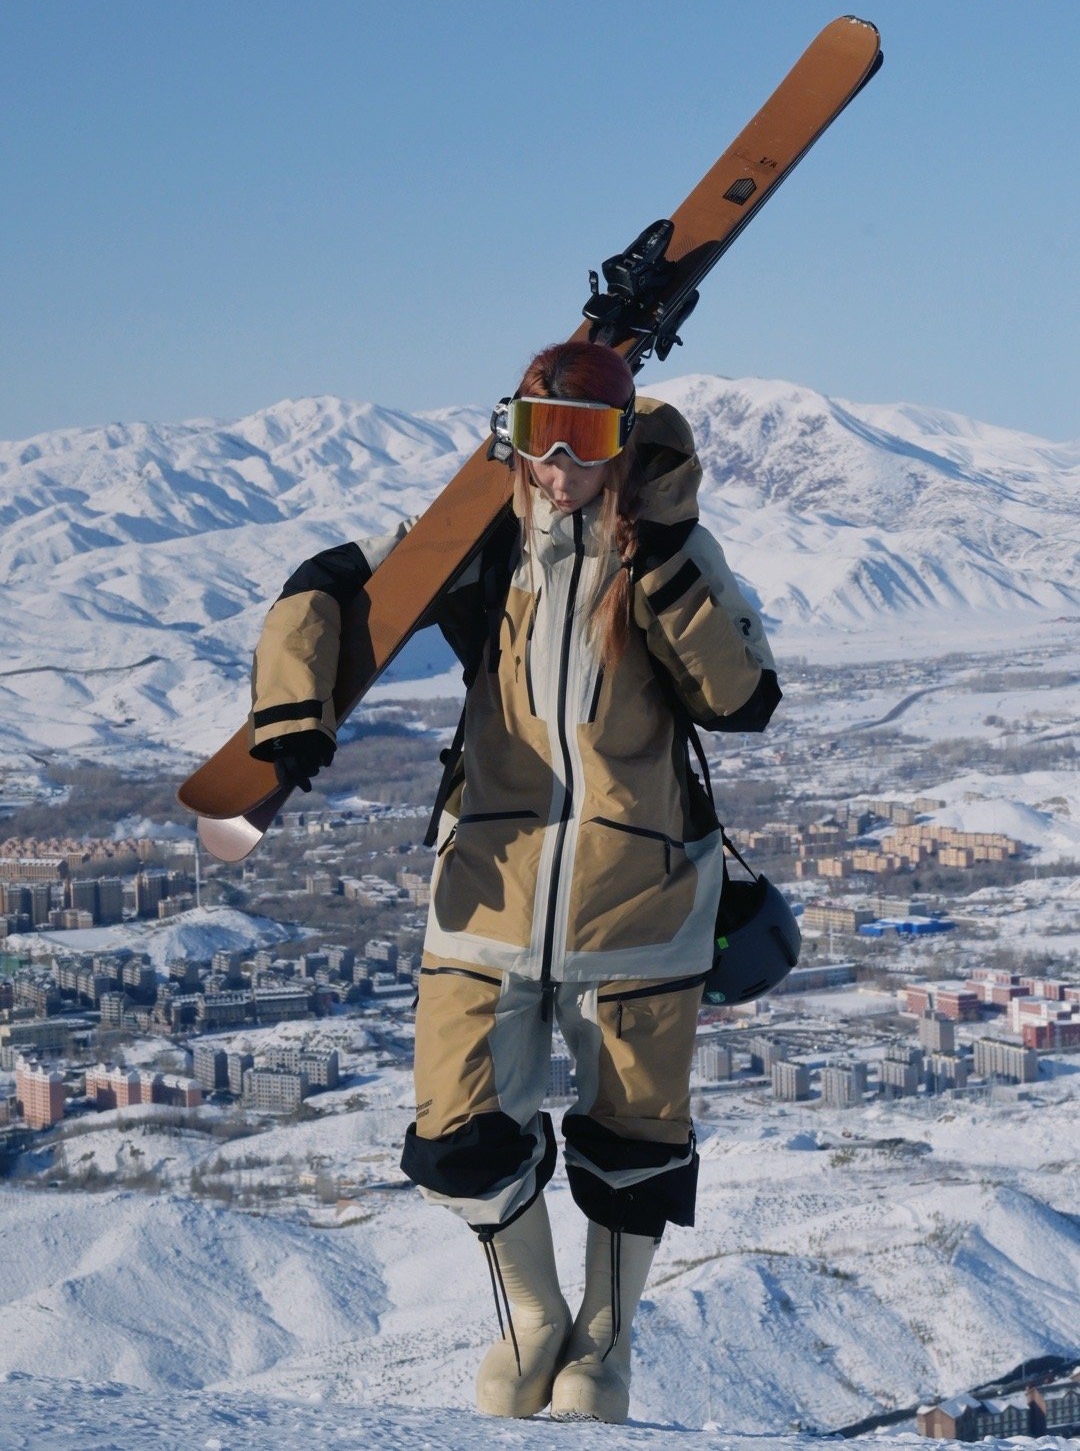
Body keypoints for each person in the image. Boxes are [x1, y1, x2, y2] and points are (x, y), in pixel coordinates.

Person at [245, 340, 780, 1424]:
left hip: (640, 903)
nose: (557, 467)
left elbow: (742, 697)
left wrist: (667, 554)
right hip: (487, 889)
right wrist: (291, 705)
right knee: (452, 1126)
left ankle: (606, 1342)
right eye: (541, 434)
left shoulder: (669, 550)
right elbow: (329, 583)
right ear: (513, 431)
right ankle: (532, 1314)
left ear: (623, 446)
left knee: (637, 1139)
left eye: (584, 441)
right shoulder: (478, 543)